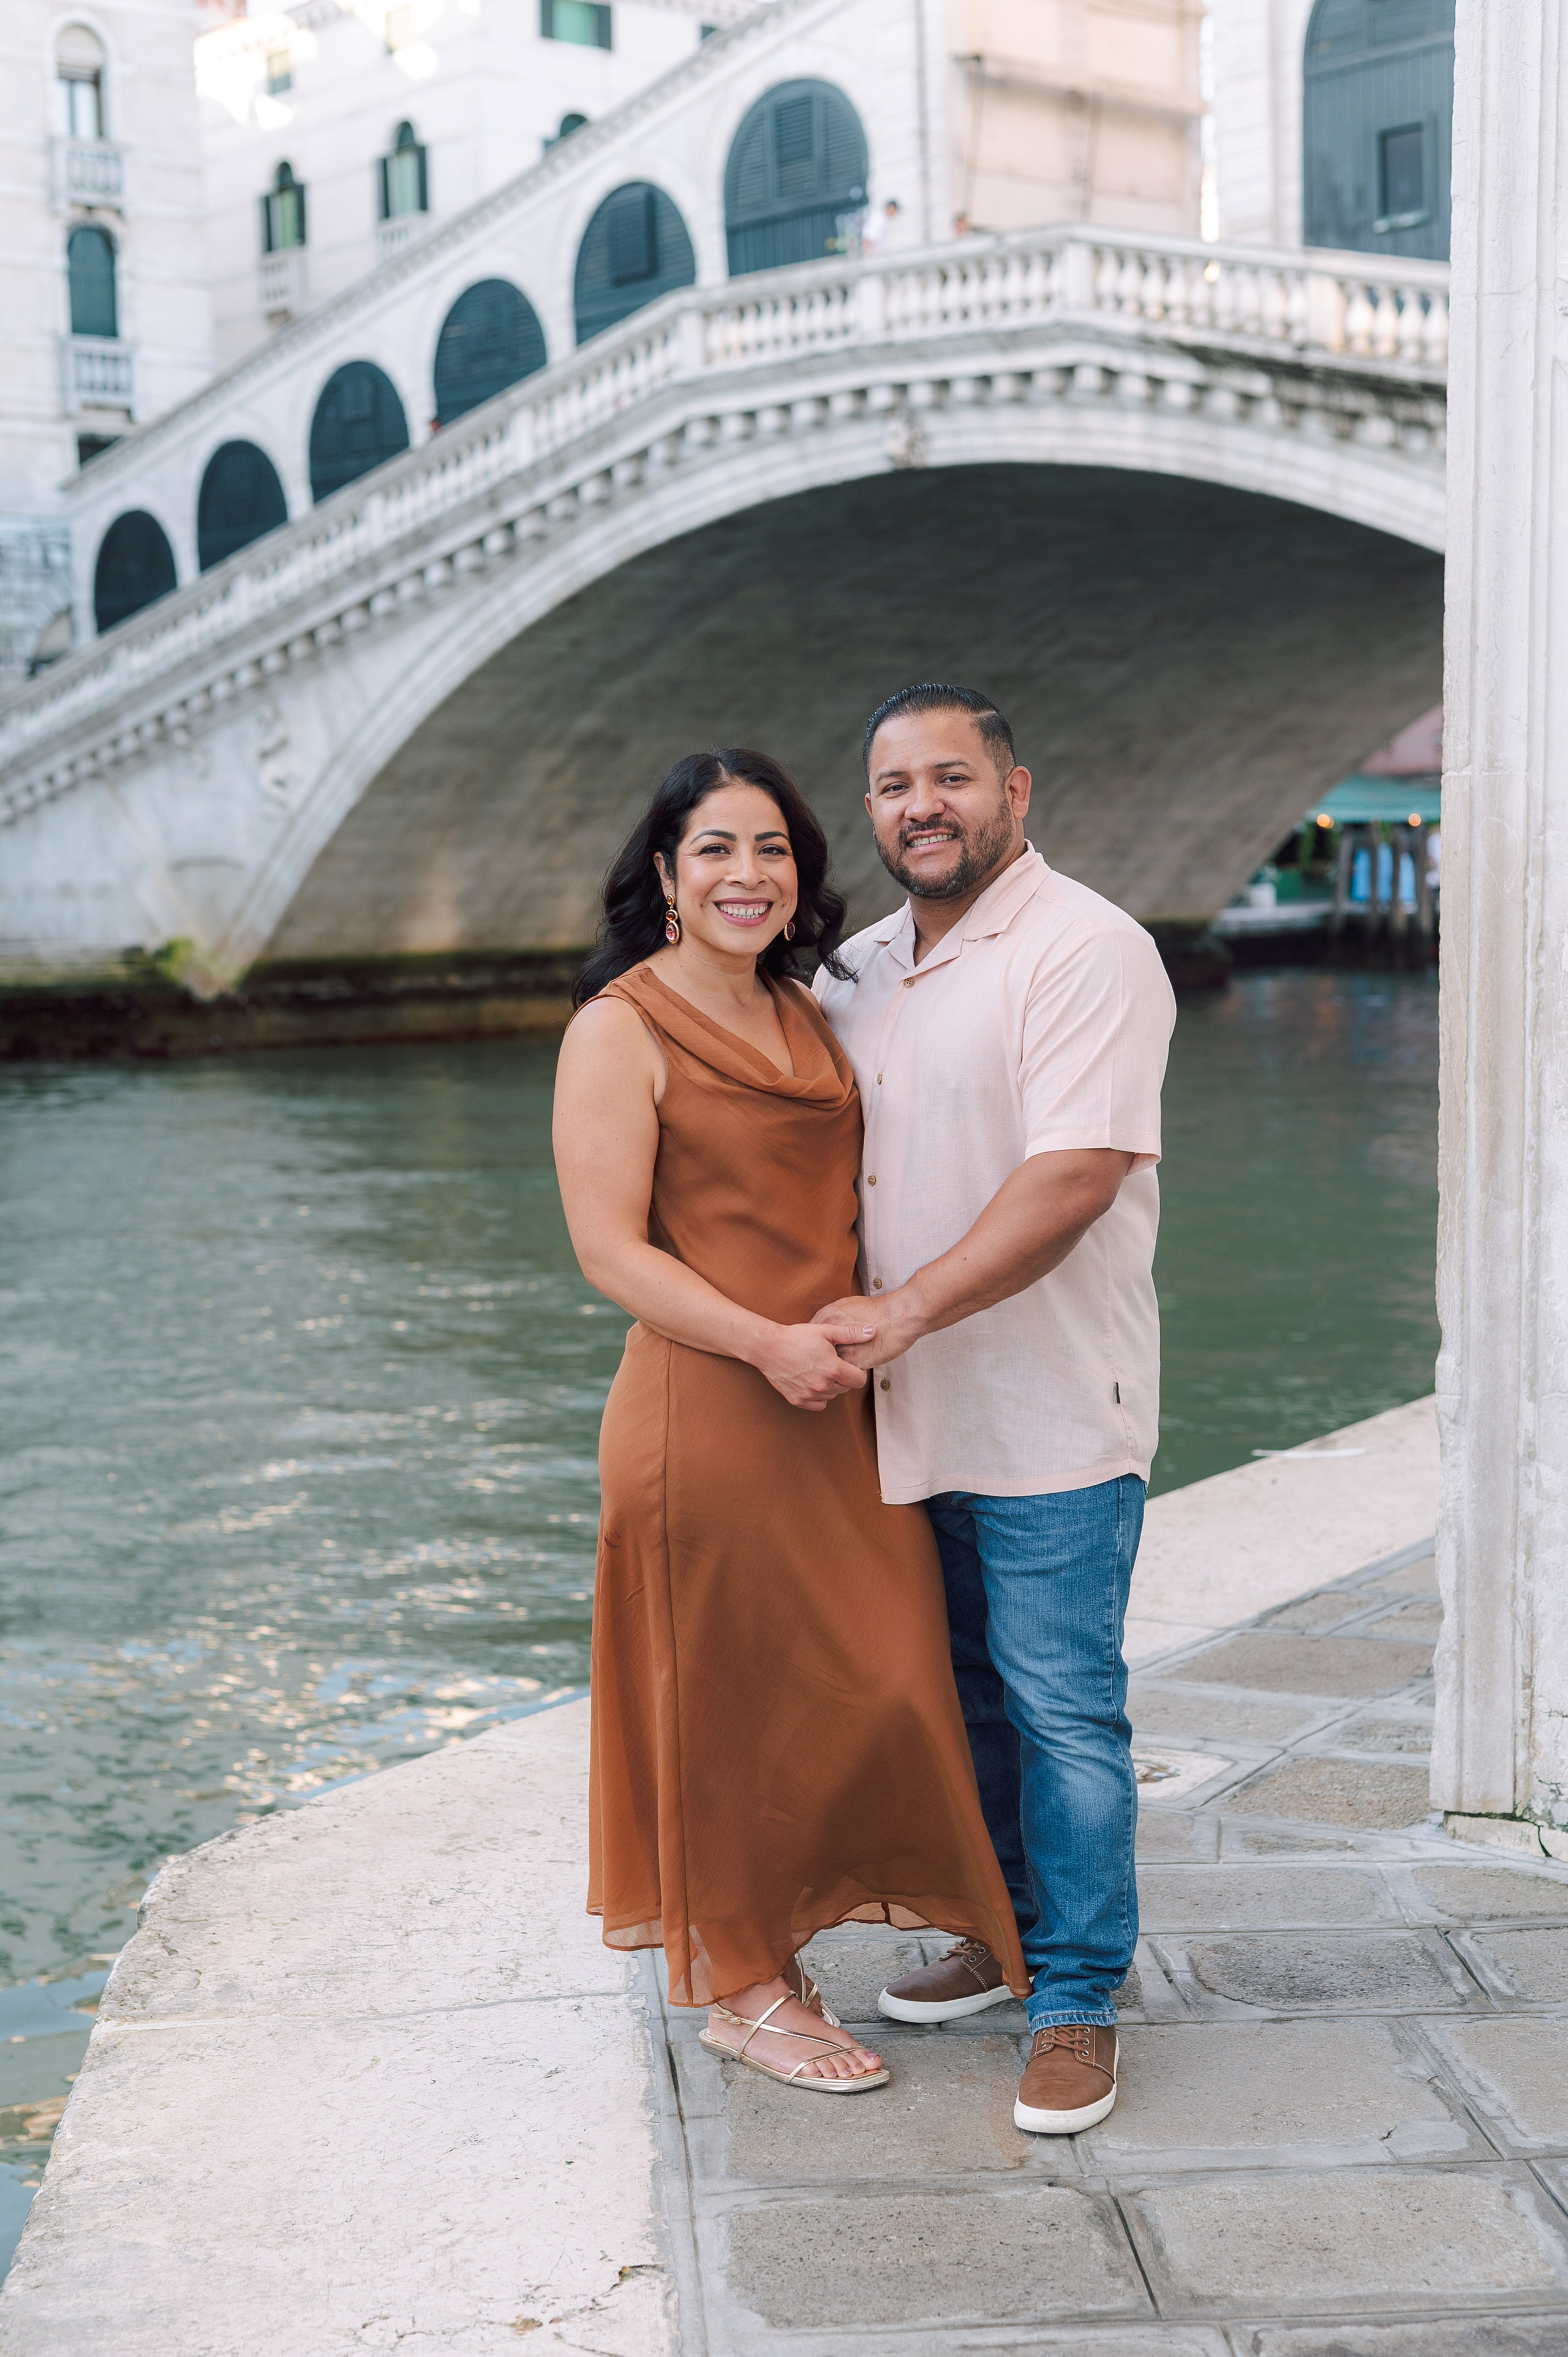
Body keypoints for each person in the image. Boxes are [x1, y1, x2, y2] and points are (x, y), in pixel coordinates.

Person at [552, 745, 1027, 2095]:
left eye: (771, 850)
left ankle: (854, 1927)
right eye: (714, 848)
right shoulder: (620, 1027)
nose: (746, 875)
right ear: (662, 873)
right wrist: (766, 1341)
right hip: (708, 1401)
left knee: (877, 1677)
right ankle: (741, 1987)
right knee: (720, 1699)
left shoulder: (807, 1007)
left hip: (832, 1403)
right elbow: (607, 1249)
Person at [813, 684, 1175, 2135]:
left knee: (1062, 1711)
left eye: (950, 776)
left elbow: (1071, 1176)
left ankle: (1078, 1997)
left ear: (1014, 791)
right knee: (963, 1700)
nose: (921, 805)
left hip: (1045, 1412)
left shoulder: (1087, 947)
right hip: (898, 1414)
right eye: (894, 783)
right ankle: (1009, 1932)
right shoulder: (852, 970)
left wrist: (901, 1309)